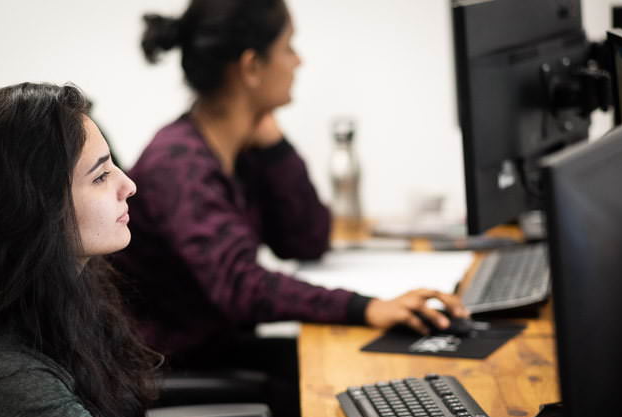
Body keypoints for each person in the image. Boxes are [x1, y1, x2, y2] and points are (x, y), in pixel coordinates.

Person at [0, 82, 484, 417]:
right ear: (37, 209)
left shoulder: (67, 293)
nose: (129, 186)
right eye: (102, 176)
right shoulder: (5, 368)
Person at [112, 0, 469, 368]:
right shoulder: (178, 164)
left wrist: (275, 148)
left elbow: (306, 240)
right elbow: (240, 287)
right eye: (288, 47)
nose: (298, 61)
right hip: (180, 369)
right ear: (252, 66)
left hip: (222, 352)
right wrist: (366, 307)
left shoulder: (237, 150)